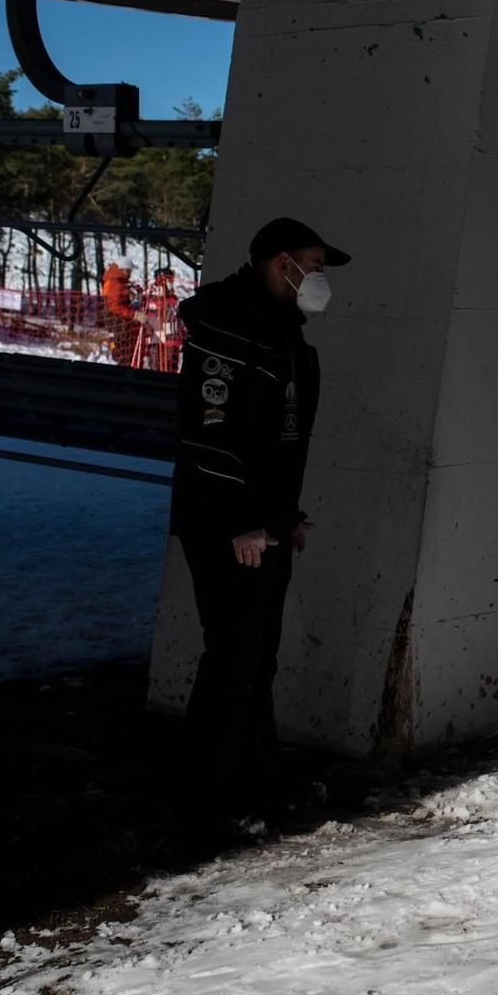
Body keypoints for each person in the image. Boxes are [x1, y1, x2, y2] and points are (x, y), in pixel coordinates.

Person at [170, 217, 342, 814]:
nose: (319, 280)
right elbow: (209, 434)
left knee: (257, 659)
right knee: (234, 662)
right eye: (314, 267)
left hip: (264, 528)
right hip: (229, 528)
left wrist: (285, 517)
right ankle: (208, 796)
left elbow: (278, 443)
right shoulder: (225, 327)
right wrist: (238, 523)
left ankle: (257, 780)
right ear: (282, 263)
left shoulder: (281, 332)